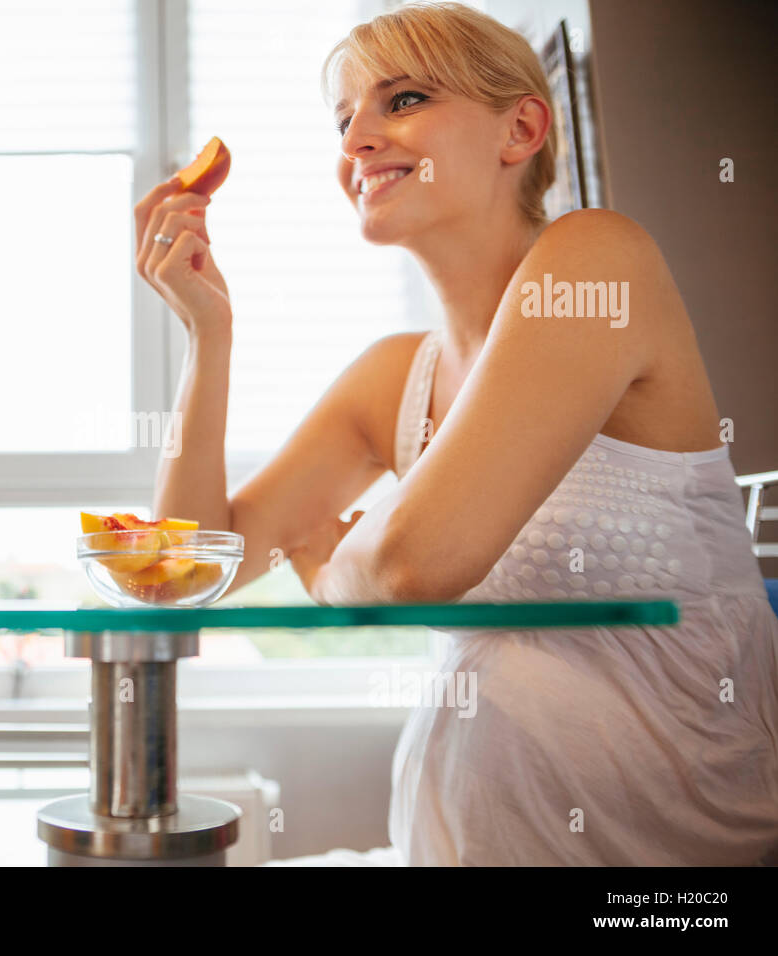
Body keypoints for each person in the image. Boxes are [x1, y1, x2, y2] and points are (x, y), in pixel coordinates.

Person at [134, 1, 778, 865]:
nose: (356, 138)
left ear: (520, 128)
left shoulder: (596, 261)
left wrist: (326, 571)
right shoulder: (392, 377)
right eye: (344, 119)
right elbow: (180, 574)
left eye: (400, 101)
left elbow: (411, 564)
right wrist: (205, 338)